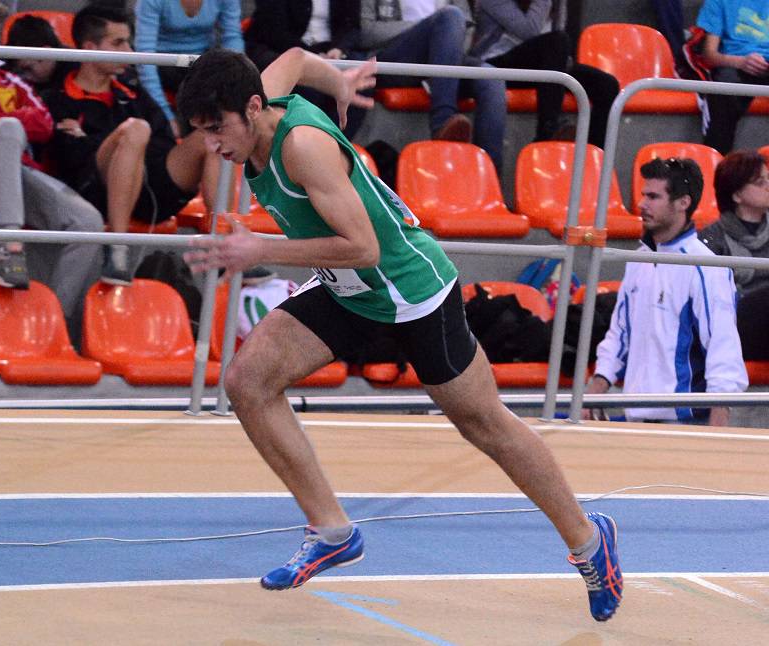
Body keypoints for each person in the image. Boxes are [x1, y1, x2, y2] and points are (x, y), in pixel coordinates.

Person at [177, 45, 623, 622]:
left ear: (255, 108)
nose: (212, 145)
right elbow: (293, 57)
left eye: (217, 129)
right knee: (247, 381)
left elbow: (363, 248)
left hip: (409, 291)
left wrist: (260, 248)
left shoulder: (304, 148)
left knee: (485, 425)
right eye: (201, 133)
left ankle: (590, 542)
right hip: (348, 288)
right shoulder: (262, 91)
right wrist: (338, 81)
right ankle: (332, 531)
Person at [42, 4, 221, 285]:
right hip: (95, 189)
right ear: (89, 48)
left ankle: (222, 242)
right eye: (118, 43)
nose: (129, 51)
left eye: (128, 41)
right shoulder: (58, 97)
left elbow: (163, 140)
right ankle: (118, 248)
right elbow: (69, 159)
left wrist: (100, 141)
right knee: (136, 129)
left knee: (210, 137)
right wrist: (125, 143)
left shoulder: (132, 90)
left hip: (151, 188)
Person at [0, 0, 103, 332]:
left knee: (88, 222)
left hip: (8, 174)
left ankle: (50, 324)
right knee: (10, 129)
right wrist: (4, 124)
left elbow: (43, 122)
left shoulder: (8, 81)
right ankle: (10, 247)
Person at [583, 157, 748, 426]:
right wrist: (597, 387)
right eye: (643, 195)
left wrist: (718, 428)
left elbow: (722, 346)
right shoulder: (639, 260)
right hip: (635, 417)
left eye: (653, 196)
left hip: (687, 422)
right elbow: (620, 333)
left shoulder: (705, 266)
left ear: (683, 203)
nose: (641, 204)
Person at [355, 0, 507, 175]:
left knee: (492, 78)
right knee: (450, 15)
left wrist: (443, 42)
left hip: (447, 57)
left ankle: (489, 179)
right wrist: (428, 27)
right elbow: (366, 32)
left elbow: (467, 29)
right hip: (396, 57)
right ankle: (442, 123)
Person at [471, 0, 619, 149]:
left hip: (541, 64)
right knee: (557, 40)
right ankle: (547, 133)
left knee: (607, 85)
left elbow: (559, 31)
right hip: (496, 64)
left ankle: (592, 156)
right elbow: (529, 30)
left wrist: (561, 58)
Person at [244, 0, 363, 137]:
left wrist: (339, 48)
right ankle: (304, 145)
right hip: (279, 48)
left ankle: (337, 144)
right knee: (309, 88)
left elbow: (352, 26)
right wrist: (313, 58)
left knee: (360, 83)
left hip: (329, 50)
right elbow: (273, 31)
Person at [134, 0, 244, 138]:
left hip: (204, 60)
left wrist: (237, 76)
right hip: (163, 64)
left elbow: (232, 37)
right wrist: (166, 117)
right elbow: (145, 58)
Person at [701, 149, 769, 360]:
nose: (768, 186)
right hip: (734, 325)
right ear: (737, 195)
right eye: (760, 182)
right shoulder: (711, 239)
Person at [696, 0, 769, 154]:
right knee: (724, 90)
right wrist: (741, 62)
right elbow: (709, 55)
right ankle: (717, 162)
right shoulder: (718, 2)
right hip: (735, 65)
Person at [4, 14, 75, 92]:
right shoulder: (3, 64)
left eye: (28, 69)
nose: (25, 77)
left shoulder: (76, 73)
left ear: (46, 55)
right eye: (19, 71)